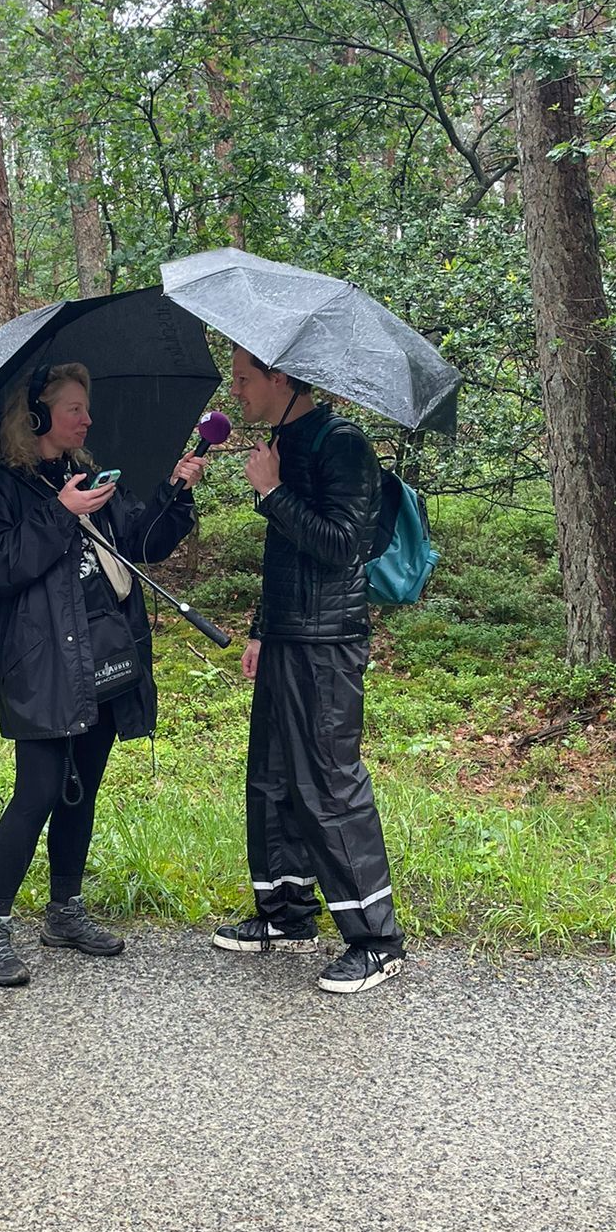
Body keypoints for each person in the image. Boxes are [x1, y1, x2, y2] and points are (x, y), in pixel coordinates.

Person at [0, 362, 208, 988]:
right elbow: (1, 567)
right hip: (42, 663)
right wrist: (60, 512)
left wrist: (175, 494)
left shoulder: (87, 478)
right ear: (37, 415)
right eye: (75, 408)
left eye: (86, 408)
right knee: (38, 790)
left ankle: (64, 911)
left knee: (81, 787)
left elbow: (141, 545)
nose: (87, 419)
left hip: (103, 654)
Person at [213, 347, 406, 995]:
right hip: (287, 636)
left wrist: (272, 493)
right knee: (271, 778)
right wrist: (261, 629)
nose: (236, 391)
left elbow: (341, 546)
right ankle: (286, 912)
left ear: (280, 378)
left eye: (244, 379)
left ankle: (377, 941)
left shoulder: (342, 444)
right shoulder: (283, 443)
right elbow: (285, 556)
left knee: (329, 784)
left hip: (327, 644)